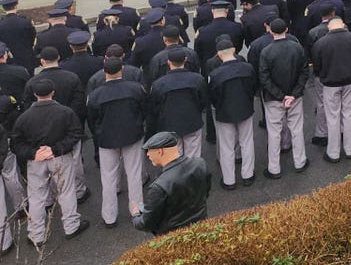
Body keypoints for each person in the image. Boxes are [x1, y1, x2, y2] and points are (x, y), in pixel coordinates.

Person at [11, 79, 88, 245]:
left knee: (37, 198)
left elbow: (16, 143)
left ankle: (36, 234)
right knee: (66, 191)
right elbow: (76, 133)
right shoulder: (65, 112)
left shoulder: (24, 118)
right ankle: (71, 225)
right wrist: (56, 149)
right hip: (60, 157)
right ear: (53, 92)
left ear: (34, 94)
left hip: (36, 161)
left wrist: (33, 153)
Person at [87, 58, 146, 228]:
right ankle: (138, 211)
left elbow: (92, 120)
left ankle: (109, 216)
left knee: (108, 177)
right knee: (134, 174)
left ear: (104, 72)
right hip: (132, 135)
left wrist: (98, 134)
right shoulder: (135, 89)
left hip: (106, 139)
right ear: (122, 69)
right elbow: (143, 110)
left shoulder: (95, 95)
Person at [131, 131, 211, 236]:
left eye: (149, 151)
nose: (147, 155)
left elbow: (146, 223)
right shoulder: (200, 164)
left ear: (160, 151)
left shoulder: (158, 187)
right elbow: (206, 192)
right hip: (200, 229)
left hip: (172, 239)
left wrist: (135, 214)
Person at [257, 19, 309, 178]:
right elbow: (304, 72)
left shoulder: (266, 52)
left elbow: (264, 78)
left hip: (274, 99)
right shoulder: (297, 47)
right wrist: (293, 94)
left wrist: (280, 96)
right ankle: (300, 162)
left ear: (271, 31)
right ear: (287, 29)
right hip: (295, 97)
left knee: (274, 133)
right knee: (297, 129)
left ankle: (274, 168)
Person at [311, 17, 351, 163]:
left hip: (330, 84)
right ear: (343, 25)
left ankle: (333, 152)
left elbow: (316, 66)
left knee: (332, 117)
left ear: (329, 27)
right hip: (350, 81)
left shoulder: (320, 43)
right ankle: (350, 148)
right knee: (349, 114)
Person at [208, 37, 258, 188]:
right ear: (234, 50)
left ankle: (229, 180)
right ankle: (248, 175)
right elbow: (253, 88)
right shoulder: (247, 68)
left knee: (226, 146)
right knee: (247, 142)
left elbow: (212, 97)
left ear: (218, 54)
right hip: (245, 109)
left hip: (224, 113)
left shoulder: (215, 74)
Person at [0, 0, 36, 71]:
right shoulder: (26, 22)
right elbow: (32, 37)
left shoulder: (1, 24)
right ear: (16, 6)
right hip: (26, 57)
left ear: (3, 8)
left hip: (10, 58)